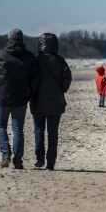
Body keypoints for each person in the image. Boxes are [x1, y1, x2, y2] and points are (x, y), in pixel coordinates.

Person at [0, 28, 38, 169]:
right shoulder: (29, 57)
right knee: (18, 130)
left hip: (2, 98)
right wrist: (29, 95)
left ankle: (6, 155)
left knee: (1, 125)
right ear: (22, 40)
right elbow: (35, 79)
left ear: (9, 39)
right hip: (20, 100)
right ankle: (18, 161)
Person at [30, 33, 72, 170]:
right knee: (53, 133)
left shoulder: (36, 61)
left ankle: (40, 158)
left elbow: (31, 79)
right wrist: (62, 90)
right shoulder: (60, 61)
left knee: (38, 130)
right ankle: (51, 162)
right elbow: (67, 79)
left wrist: (32, 93)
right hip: (56, 101)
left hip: (37, 101)